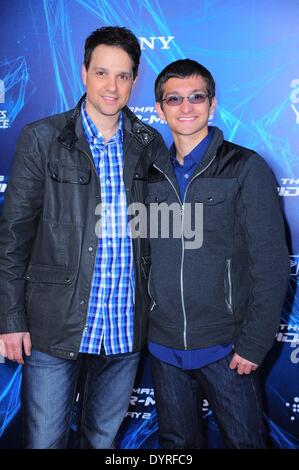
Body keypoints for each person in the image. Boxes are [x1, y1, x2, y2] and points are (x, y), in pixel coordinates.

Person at [0, 26, 166, 449]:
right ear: (83, 72)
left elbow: (163, 233)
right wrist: (10, 319)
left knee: (102, 442)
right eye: (102, 73)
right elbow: (13, 237)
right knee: (45, 442)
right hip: (55, 325)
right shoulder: (42, 138)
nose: (111, 86)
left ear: (134, 80)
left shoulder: (150, 144)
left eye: (123, 76)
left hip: (125, 329)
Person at [146, 59, 289, 448]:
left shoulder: (245, 168)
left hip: (227, 351)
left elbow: (272, 265)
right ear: (159, 109)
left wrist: (254, 344)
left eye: (196, 97)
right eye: (174, 99)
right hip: (163, 348)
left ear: (212, 104)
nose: (186, 107)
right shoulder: (148, 173)